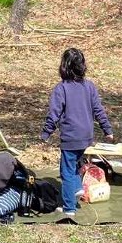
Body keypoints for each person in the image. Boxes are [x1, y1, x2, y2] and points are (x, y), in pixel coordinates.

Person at [39, 48, 114, 216]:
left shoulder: (61, 88)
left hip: (71, 137)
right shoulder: (89, 86)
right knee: (74, 165)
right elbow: (99, 110)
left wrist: (46, 133)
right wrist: (107, 130)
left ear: (64, 66)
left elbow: (54, 113)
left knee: (66, 172)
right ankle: (78, 187)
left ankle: (69, 208)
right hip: (86, 137)